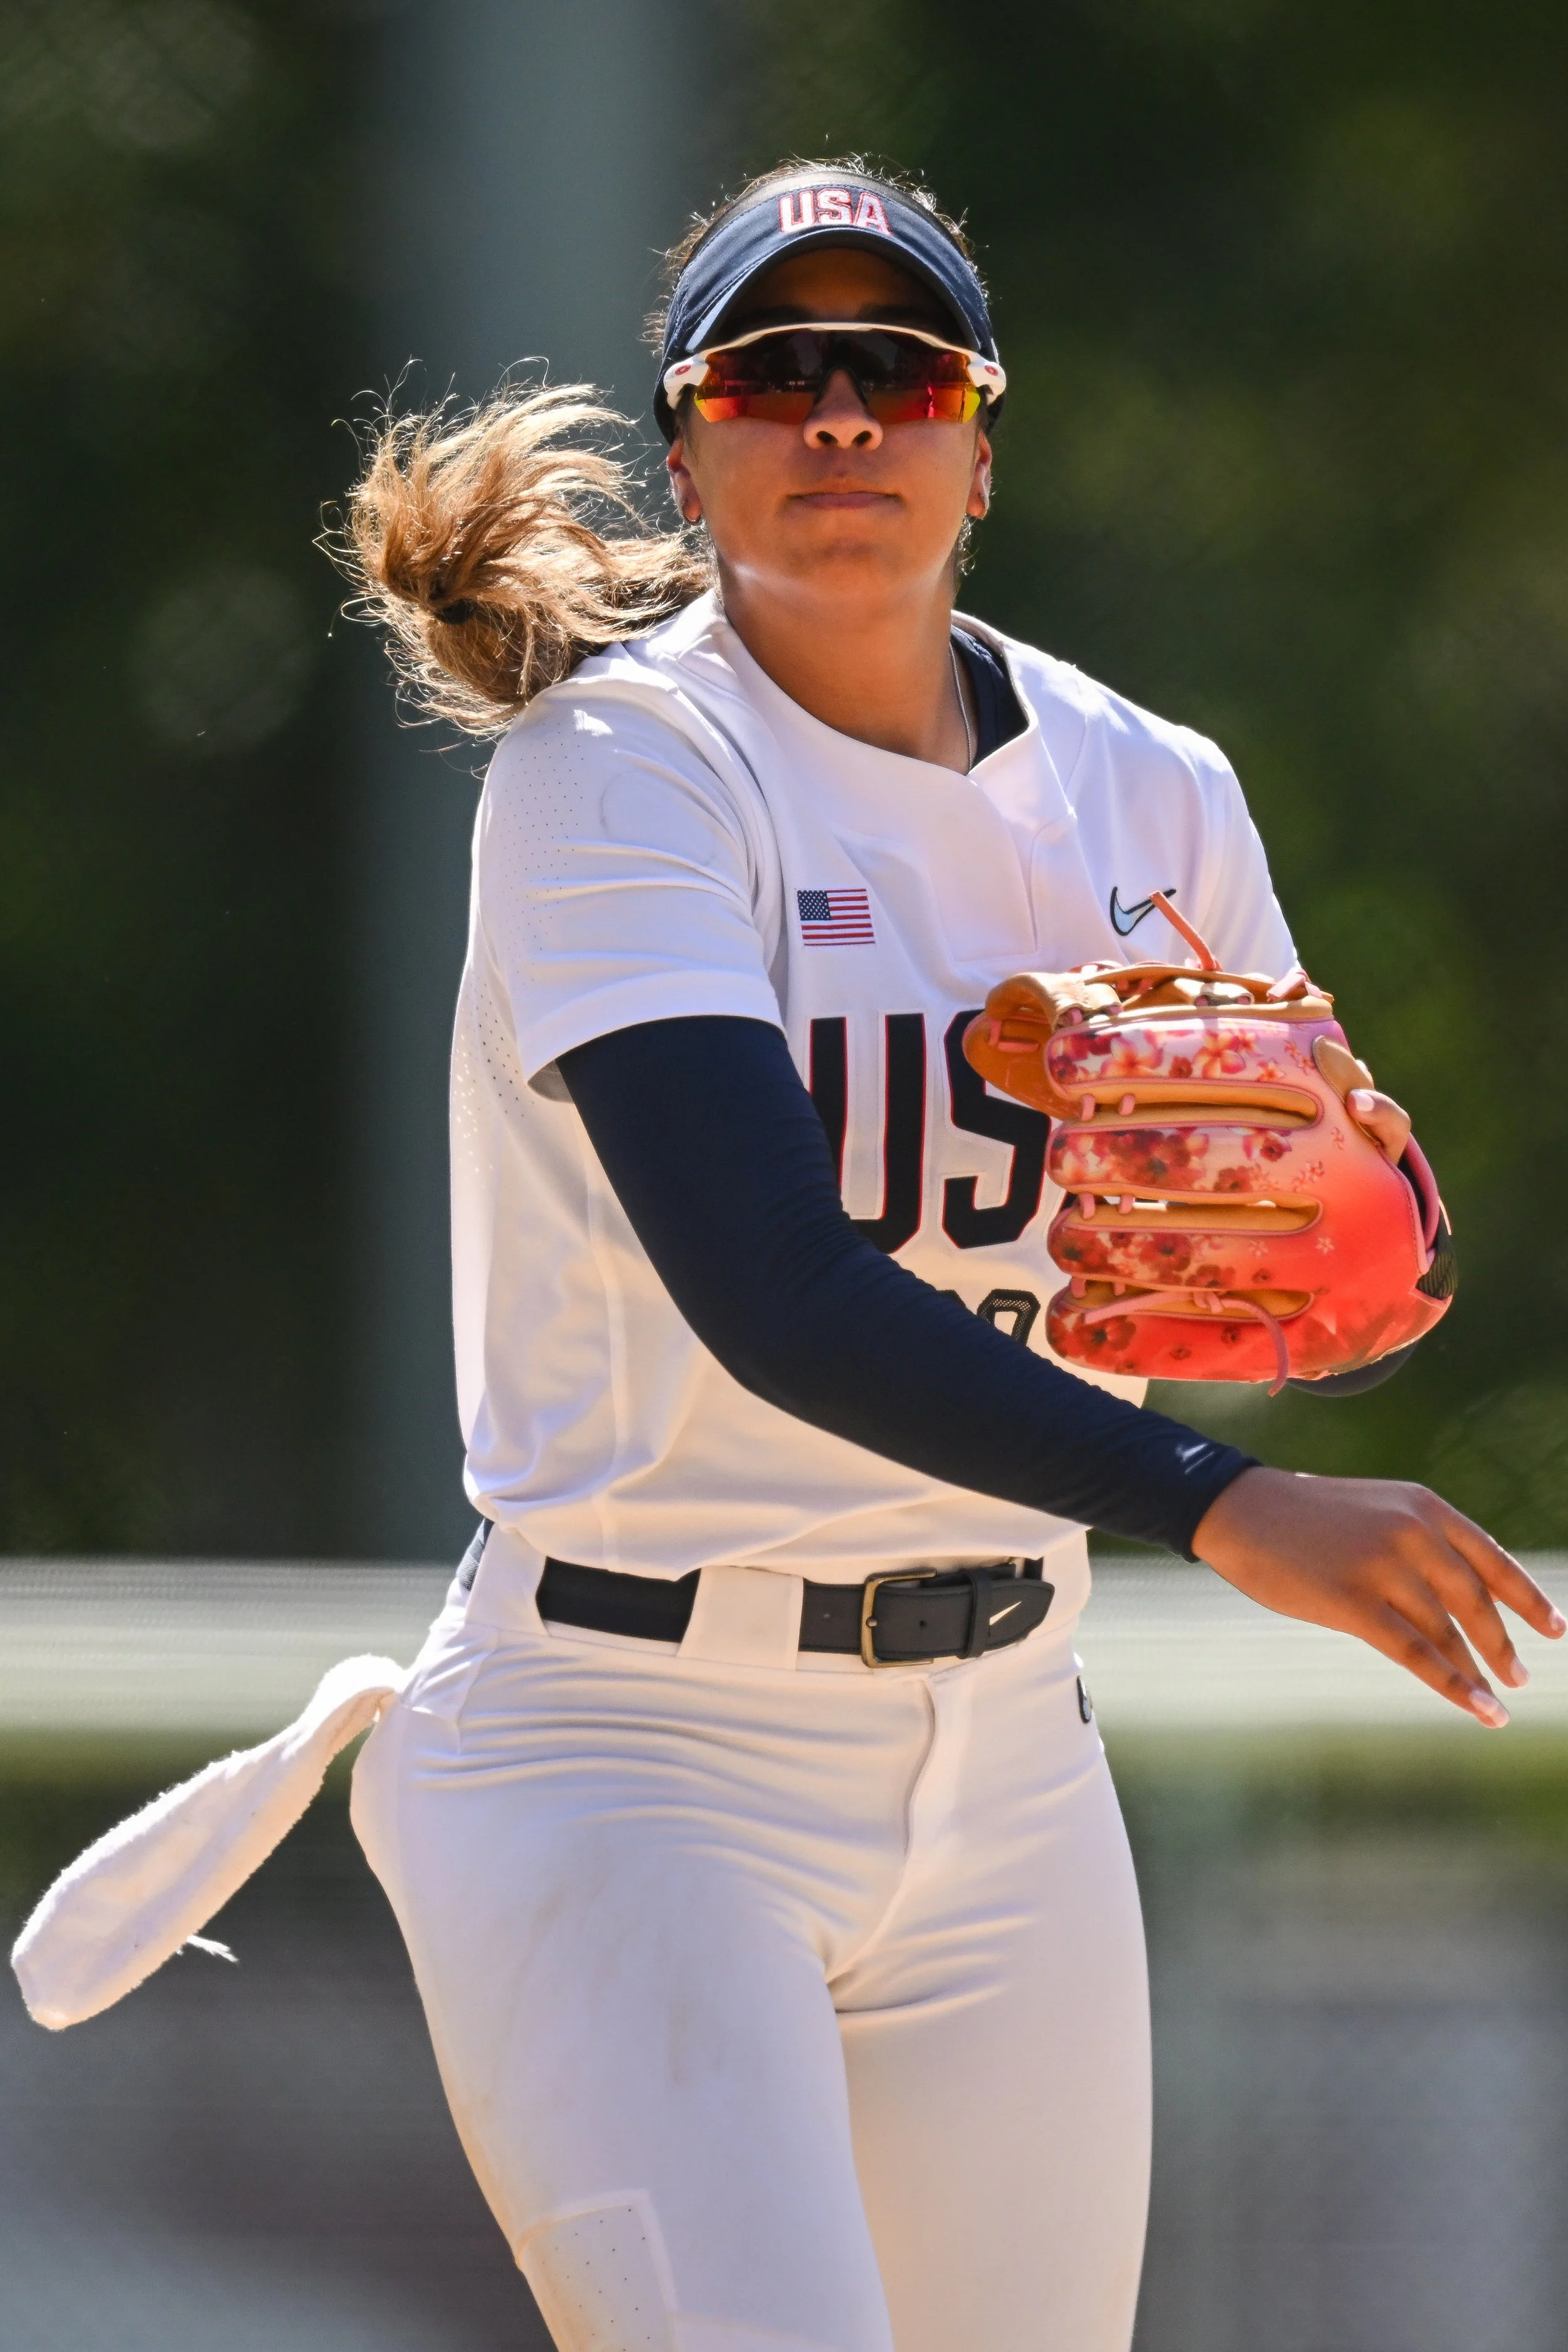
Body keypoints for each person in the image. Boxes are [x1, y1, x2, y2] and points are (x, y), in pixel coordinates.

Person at [338, 162, 1561, 2352]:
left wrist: (1347, 1261)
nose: (837, 418)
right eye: (773, 372)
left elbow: (1319, 1274)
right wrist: (1224, 1501)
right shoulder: (624, 767)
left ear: (978, 448)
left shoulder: (1144, 789)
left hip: (1006, 1753)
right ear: (692, 442)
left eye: (893, 372)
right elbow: (769, 1283)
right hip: (630, 1748)